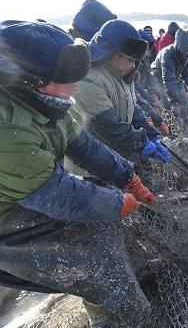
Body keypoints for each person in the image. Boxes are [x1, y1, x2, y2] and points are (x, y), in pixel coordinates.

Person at [0, 20, 155, 327]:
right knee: (99, 263)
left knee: (103, 211)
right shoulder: (7, 129)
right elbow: (59, 195)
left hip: (30, 192)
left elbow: (82, 144)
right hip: (7, 219)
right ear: (29, 79)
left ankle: (100, 299)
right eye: (68, 76)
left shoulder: (47, 102)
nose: (77, 83)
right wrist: (117, 203)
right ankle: (116, 316)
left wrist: (128, 177)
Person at [72, 20, 170, 168]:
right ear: (110, 53)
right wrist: (142, 143)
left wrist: (152, 135)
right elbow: (108, 124)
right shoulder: (87, 78)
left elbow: (133, 108)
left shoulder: (121, 73)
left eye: (135, 61)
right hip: (93, 165)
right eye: (130, 59)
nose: (133, 65)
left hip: (116, 154)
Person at [136, 30, 169, 136]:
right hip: (137, 97)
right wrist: (151, 102)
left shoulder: (145, 60)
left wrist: (154, 94)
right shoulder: (133, 63)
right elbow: (136, 87)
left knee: (158, 108)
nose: (148, 52)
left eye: (149, 49)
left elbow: (150, 77)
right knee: (147, 118)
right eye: (146, 49)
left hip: (143, 94)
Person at [162, 29, 188, 128]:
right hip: (160, 77)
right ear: (179, 47)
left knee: (184, 101)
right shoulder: (168, 55)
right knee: (169, 106)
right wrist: (174, 101)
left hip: (175, 77)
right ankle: (171, 131)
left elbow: (184, 70)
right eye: (186, 50)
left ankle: (186, 127)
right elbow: (167, 79)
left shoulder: (185, 54)